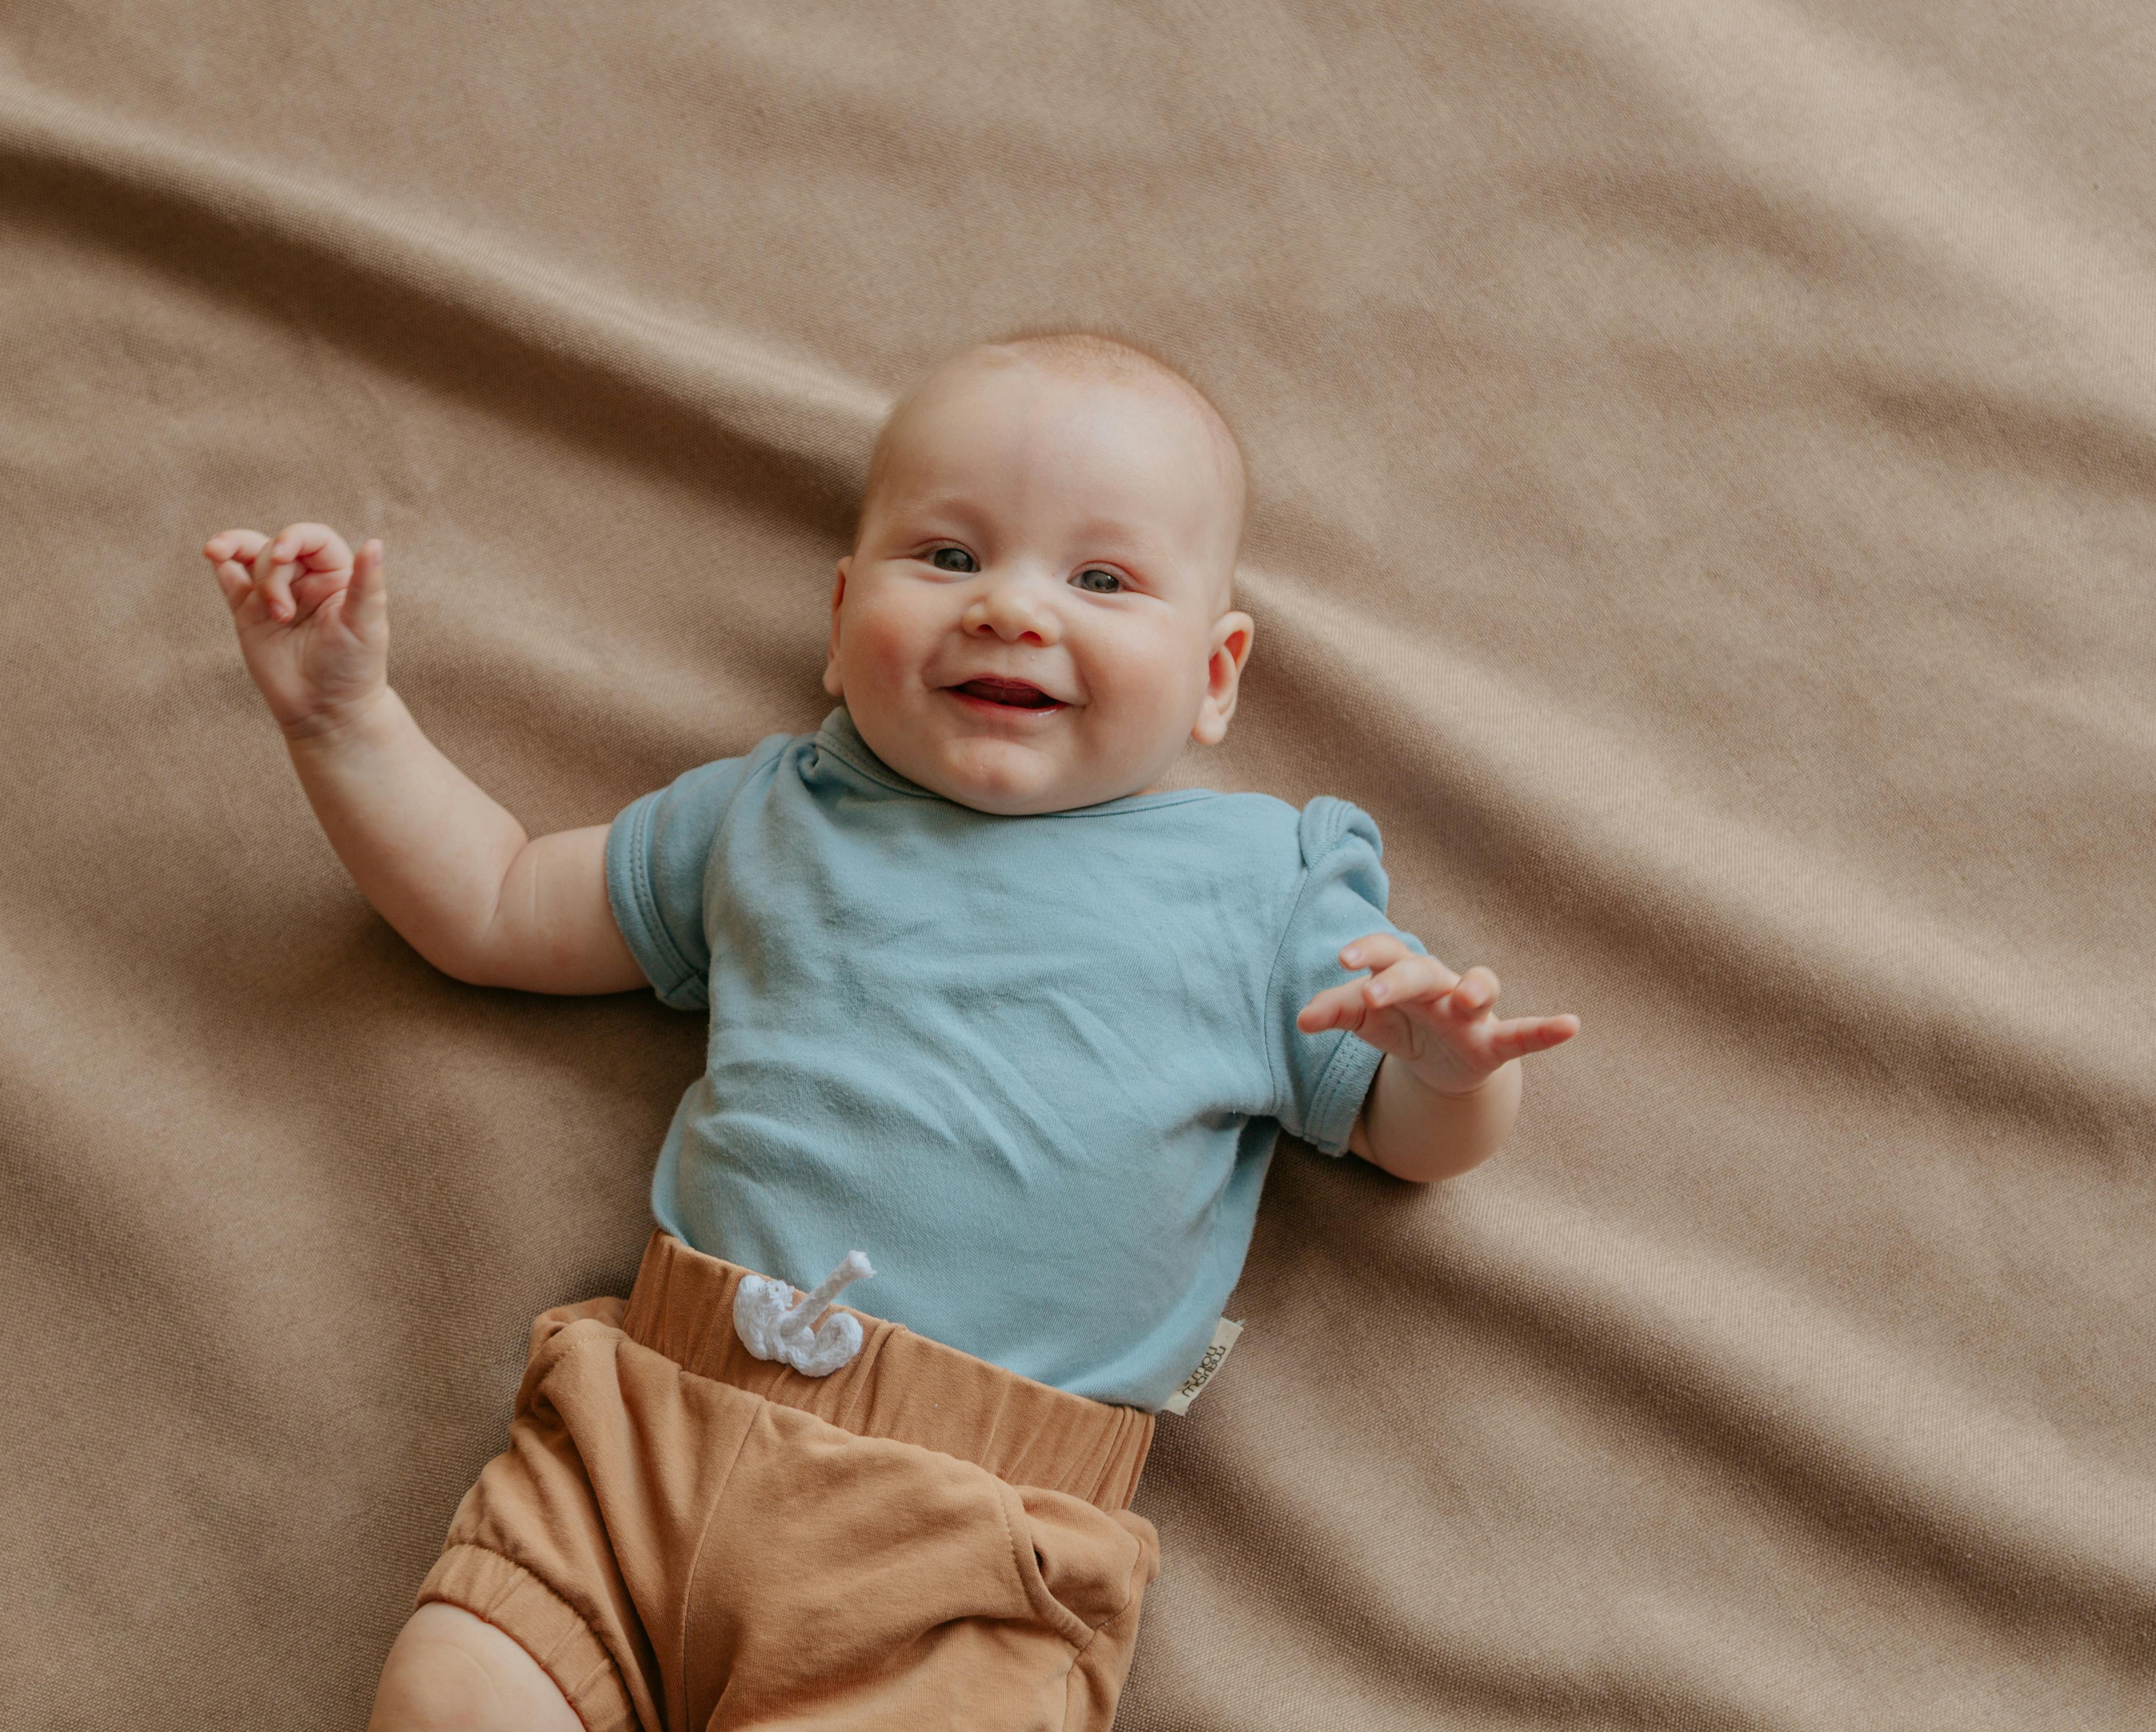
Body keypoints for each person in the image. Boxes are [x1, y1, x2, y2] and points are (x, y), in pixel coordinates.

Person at [200, 331, 1579, 1732]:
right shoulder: (774, 812)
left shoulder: (1264, 894)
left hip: (970, 1547)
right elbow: (494, 905)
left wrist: (1447, 1071)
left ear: (1217, 674)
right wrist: (343, 721)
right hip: (640, 1449)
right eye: (949, 558)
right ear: (842, 610)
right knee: (451, 1701)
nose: (1012, 611)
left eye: (1100, 580)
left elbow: (1416, 1145)